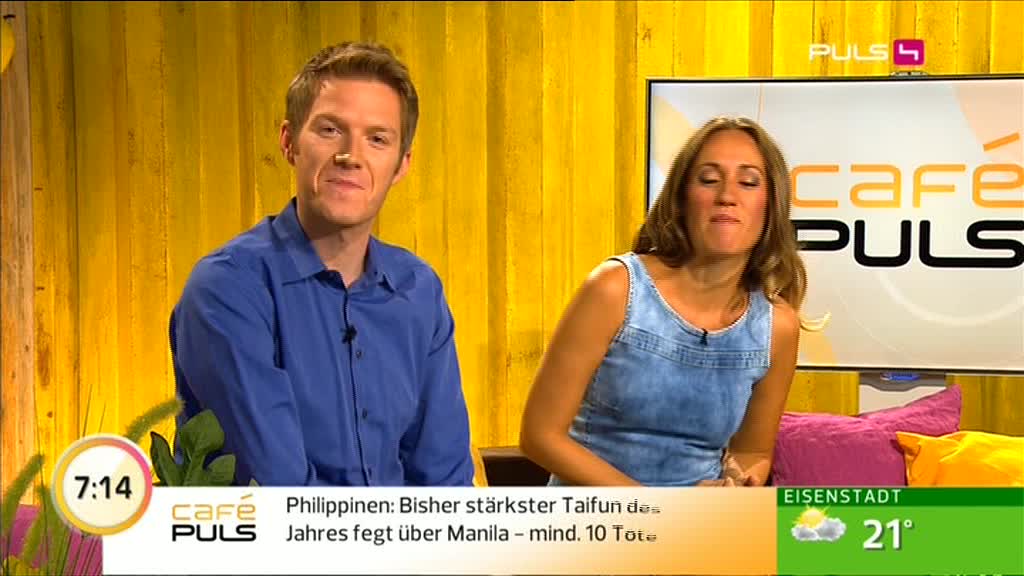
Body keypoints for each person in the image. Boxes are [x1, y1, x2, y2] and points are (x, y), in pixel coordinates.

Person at [169, 42, 474, 486]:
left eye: (377, 139)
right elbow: (284, 492)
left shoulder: (418, 290)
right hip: (278, 532)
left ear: (401, 165)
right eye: (330, 130)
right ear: (289, 142)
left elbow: (445, 483)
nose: (351, 156)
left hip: (406, 535)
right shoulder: (227, 288)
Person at [520, 116, 812, 487]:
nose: (727, 195)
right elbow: (540, 436)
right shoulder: (615, 288)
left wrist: (738, 485)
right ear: (682, 198)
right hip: (594, 514)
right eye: (709, 179)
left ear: (771, 206)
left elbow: (753, 451)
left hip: (700, 518)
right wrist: (659, 510)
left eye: (748, 182)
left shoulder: (777, 327)